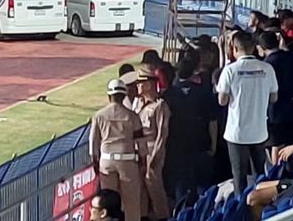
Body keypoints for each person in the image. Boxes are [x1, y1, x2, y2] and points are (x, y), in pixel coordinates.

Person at [216, 31, 279, 195]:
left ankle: (240, 210)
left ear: (235, 49)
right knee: (260, 174)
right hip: (259, 131)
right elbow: (274, 97)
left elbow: (221, 101)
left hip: (236, 132)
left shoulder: (230, 70)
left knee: (239, 177)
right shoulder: (268, 68)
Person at [164, 58, 217, 205]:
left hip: (177, 147)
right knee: (203, 185)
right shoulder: (203, 92)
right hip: (201, 143)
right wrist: (213, 144)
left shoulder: (169, 95)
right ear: (194, 72)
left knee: (180, 185)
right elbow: (212, 121)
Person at [90, 79, 144, 221]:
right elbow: (140, 143)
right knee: (131, 202)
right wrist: (142, 162)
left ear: (109, 96)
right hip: (127, 161)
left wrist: (95, 163)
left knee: (109, 204)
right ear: (124, 95)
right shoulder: (132, 116)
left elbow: (93, 143)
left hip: (106, 161)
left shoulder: (99, 115)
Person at [257, 31, 293, 162]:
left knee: (277, 146)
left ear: (261, 48)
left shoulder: (266, 65)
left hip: (276, 110)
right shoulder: (292, 57)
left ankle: (277, 174)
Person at [132, 69, 171, 220]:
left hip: (151, 148)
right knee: (140, 187)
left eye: (140, 83)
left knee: (154, 185)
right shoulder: (139, 104)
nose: (138, 86)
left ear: (148, 84)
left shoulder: (159, 106)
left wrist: (156, 154)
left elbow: (162, 133)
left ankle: (162, 216)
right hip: (139, 149)